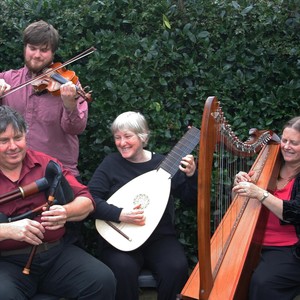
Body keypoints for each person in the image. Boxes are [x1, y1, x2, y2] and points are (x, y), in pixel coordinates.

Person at [0, 105, 116, 299]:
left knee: (101, 280)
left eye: (18, 138)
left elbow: (86, 200)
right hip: (7, 263)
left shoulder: (46, 163)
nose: (13, 146)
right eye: (4, 140)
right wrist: (7, 230)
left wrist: (66, 212)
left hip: (55, 255)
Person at [88, 111, 198, 300]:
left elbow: (190, 199)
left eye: (128, 136)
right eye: (117, 137)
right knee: (123, 269)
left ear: (143, 137)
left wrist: (192, 176)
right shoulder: (111, 163)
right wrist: (120, 214)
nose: (122, 143)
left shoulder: (164, 165)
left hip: (159, 238)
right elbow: (89, 201)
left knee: (176, 267)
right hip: (119, 238)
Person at [0, 20, 88, 179]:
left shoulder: (68, 84)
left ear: (53, 53)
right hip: (13, 173)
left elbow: (76, 129)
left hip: (55, 171)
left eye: (44, 50)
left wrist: (70, 105)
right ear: (25, 48)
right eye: (32, 48)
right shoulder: (7, 80)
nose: (37, 55)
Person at [232, 116, 300, 300]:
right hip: (251, 240)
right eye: (284, 140)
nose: (286, 146)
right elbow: (238, 205)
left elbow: (295, 213)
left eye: (294, 143)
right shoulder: (270, 163)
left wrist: (260, 194)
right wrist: (240, 185)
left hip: (288, 248)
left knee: (262, 283)